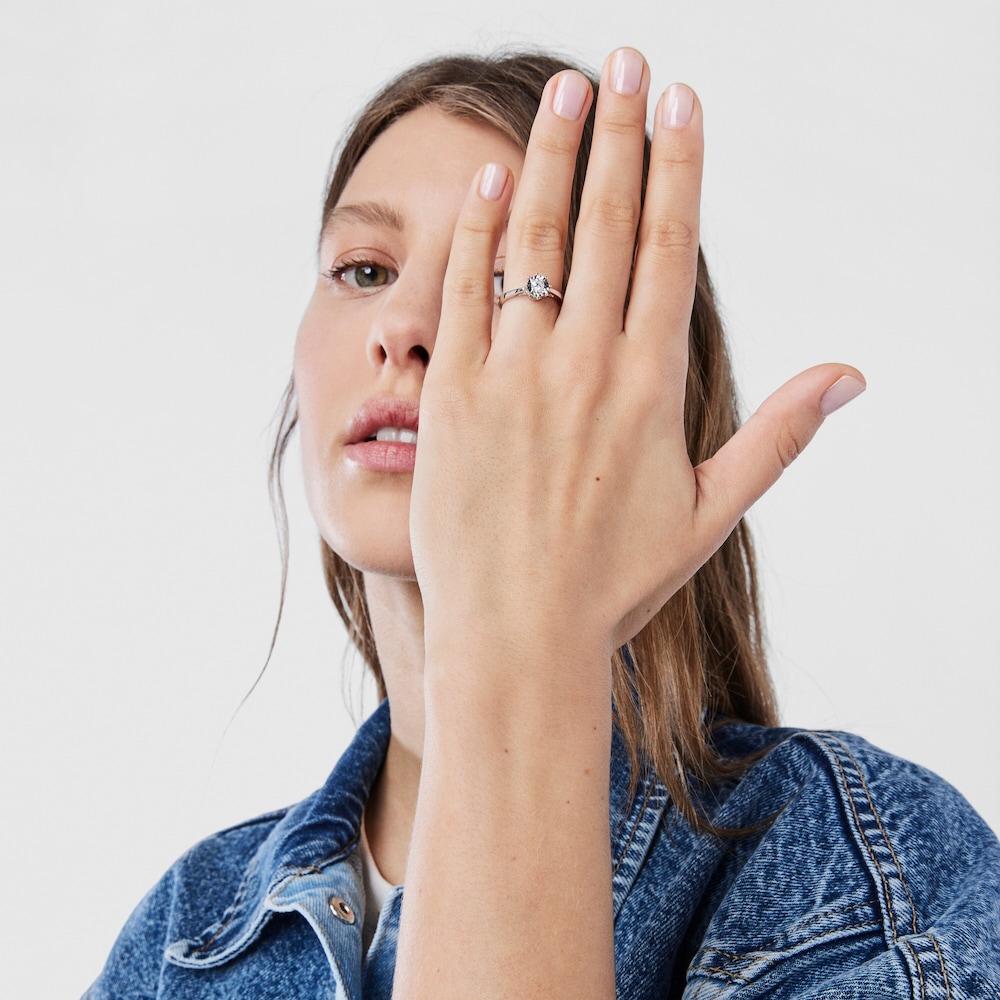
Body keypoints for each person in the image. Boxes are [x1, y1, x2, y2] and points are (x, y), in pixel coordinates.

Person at [85, 47, 1000, 999]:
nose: (403, 324)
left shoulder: (851, 864)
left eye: (511, 280)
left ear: (641, 400)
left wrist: (521, 643)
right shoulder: (184, 933)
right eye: (363, 269)